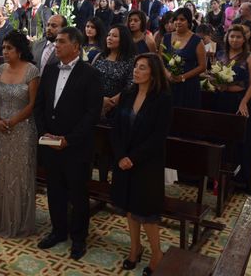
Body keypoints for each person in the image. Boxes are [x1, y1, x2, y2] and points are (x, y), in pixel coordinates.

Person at [34, 27, 103, 261]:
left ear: (76, 46)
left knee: (78, 193)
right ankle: (58, 230)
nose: (56, 45)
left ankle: (79, 238)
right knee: (55, 191)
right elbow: (40, 105)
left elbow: (92, 114)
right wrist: (45, 133)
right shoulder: (51, 70)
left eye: (61, 42)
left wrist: (69, 139)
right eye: (56, 42)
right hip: (50, 142)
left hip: (76, 146)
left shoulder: (90, 74)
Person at [111, 53, 171, 275]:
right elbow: (116, 128)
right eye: (136, 67)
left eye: (142, 68)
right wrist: (120, 155)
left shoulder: (162, 99)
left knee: (145, 212)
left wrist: (132, 158)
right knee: (128, 206)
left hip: (146, 163)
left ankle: (157, 254)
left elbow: (158, 137)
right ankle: (135, 247)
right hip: (123, 160)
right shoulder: (127, 94)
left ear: (153, 74)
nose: (136, 71)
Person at [0, 31, 40, 237]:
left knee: (20, 174)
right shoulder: (0, 70)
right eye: (4, 48)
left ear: (19, 50)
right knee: (4, 171)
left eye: (9, 48)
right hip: (2, 128)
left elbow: (33, 104)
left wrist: (13, 121)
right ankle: (2, 217)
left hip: (23, 129)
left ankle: (20, 221)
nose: (5, 52)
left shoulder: (31, 72)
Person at [213, 25, 251, 195]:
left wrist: (244, 102)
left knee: (241, 141)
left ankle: (241, 181)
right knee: (221, 138)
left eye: (238, 37)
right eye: (232, 36)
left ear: (244, 39)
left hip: (238, 101)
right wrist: (217, 83)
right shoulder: (221, 55)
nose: (235, 40)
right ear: (227, 37)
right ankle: (218, 178)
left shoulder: (249, 58)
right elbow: (214, 76)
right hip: (221, 100)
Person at [161, 8, 206, 109]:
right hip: (169, 83)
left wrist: (182, 77)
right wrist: (168, 74)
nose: (178, 22)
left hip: (189, 85)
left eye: (182, 19)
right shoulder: (166, 38)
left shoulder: (197, 41)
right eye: (176, 19)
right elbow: (160, 60)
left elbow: (203, 66)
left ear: (189, 22)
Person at [92, 24, 137, 123]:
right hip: (95, 103)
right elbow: (90, 80)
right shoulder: (100, 56)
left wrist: (112, 102)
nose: (109, 38)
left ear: (124, 39)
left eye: (114, 36)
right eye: (109, 35)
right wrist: (100, 99)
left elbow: (131, 85)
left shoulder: (131, 60)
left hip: (118, 107)